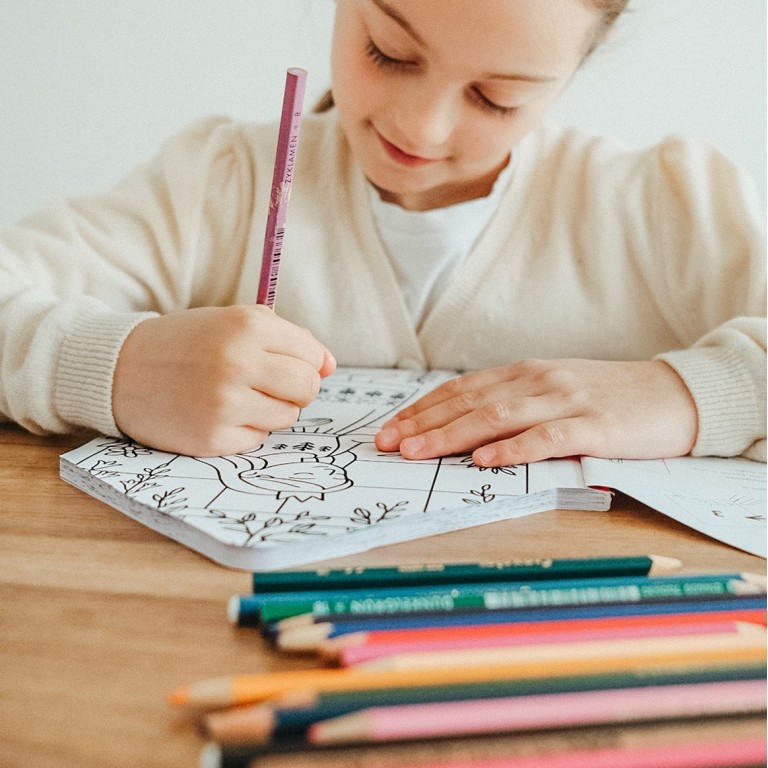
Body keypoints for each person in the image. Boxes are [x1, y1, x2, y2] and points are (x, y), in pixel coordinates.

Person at [0, 0, 764, 467]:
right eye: (388, 52)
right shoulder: (222, 182)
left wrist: (685, 395)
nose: (421, 127)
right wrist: (116, 367)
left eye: (496, 97)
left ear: (575, 68)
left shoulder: (667, 206)